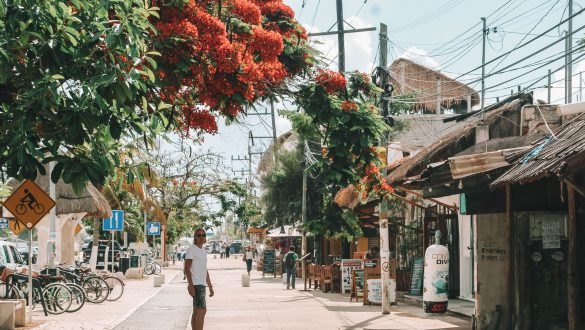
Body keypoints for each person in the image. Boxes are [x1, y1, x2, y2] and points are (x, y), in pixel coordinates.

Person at [184, 228, 214, 330]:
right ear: (195, 237)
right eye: (198, 235)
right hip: (196, 284)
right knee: (202, 311)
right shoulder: (192, 249)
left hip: (201, 284)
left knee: (197, 311)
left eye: (203, 235)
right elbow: (187, 268)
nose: (201, 237)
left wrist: (210, 286)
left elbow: (204, 270)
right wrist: (190, 285)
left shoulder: (203, 251)